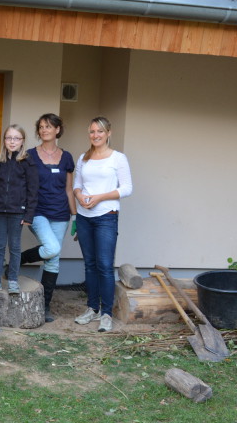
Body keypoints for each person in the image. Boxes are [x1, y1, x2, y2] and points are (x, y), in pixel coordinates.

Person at [72, 117, 132, 332]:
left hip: (106, 215)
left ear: (109, 133)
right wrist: (80, 196)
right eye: (92, 131)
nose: (95, 135)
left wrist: (100, 197)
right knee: (89, 264)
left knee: (105, 266)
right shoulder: (83, 158)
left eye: (100, 131)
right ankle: (92, 308)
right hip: (84, 216)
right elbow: (77, 185)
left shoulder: (118, 158)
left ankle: (106, 312)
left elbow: (126, 188)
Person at [17, 113, 76, 322]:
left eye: (49, 126)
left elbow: (69, 189)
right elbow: (23, 185)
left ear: (57, 130)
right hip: (38, 212)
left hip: (61, 214)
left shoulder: (67, 157)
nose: (44, 130)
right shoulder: (30, 155)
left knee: (53, 261)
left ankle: (45, 307)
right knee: (52, 249)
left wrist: (75, 216)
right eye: (41, 127)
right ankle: (20, 259)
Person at [0, 124, 39, 295]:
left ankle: (13, 280)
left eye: (16, 138)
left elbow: (33, 190)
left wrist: (29, 214)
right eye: (9, 138)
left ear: (22, 141)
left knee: (14, 247)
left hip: (18, 212)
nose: (12, 141)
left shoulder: (27, 162)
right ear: (4, 141)